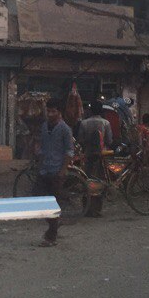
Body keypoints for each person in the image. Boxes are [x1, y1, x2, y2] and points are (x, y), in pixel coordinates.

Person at [35, 99, 74, 247]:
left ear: (59, 113)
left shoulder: (65, 129)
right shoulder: (44, 126)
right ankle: (55, 223)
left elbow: (69, 151)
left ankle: (51, 236)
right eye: (48, 111)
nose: (50, 114)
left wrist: (63, 170)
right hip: (44, 169)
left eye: (53, 111)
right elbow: (42, 146)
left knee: (51, 204)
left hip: (57, 170)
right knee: (38, 199)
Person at [78, 101, 113, 217]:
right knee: (100, 183)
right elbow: (109, 140)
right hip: (101, 157)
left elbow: (80, 140)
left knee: (86, 182)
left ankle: (86, 209)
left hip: (87, 156)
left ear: (90, 110)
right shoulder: (106, 123)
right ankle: (96, 210)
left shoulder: (84, 123)